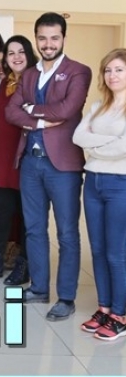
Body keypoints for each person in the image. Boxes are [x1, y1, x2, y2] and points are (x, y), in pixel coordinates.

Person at [5, 12, 92, 322]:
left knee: (67, 233)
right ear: (36, 39)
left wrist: (31, 109)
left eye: (54, 38)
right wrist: (40, 120)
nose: (48, 44)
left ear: (63, 38)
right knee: (34, 229)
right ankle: (39, 288)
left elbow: (67, 109)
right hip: (30, 162)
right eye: (42, 38)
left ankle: (66, 297)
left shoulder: (78, 71)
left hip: (63, 166)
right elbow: (11, 111)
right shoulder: (29, 75)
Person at [72, 48, 126, 340]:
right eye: (108, 70)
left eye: (119, 69)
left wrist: (96, 146)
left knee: (116, 253)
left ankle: (120, 314)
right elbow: (78, 137)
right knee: (97, 249)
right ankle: (104, 308)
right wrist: (109, 141)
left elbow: (123, 148)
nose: (112, 75)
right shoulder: (98, 106)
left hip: (121, 183)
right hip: (93, 181)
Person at [0, 35, 37, 285]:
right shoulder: (4, 82)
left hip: (26, 158)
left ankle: (24, 264)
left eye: (21, 52)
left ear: (29, 54)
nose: (16, 57)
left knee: (27, 215)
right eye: (11, 53)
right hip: (2, 159)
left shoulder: (36, 81)